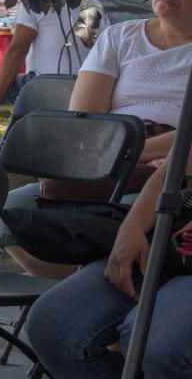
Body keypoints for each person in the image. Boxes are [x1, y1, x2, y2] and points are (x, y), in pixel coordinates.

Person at [0, 0, 192, 279]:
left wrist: (129, 153)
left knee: (135, 220)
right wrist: (128, 153)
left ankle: (93, 293)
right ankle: (77, 284)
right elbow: (83, 123)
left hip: (171, 175)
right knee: (6, 208)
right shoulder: (120, 37)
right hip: (106, 163)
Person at [26, 154, 192, 378]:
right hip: (172, 242)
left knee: (158, 341)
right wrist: (131, 227)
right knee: (52, 326)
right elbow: (173, 169)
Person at [0, 0, 93, 105]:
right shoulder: (92, 1)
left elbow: (18, 50)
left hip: (48, 84)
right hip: (90, 83)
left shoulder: (36, 1)